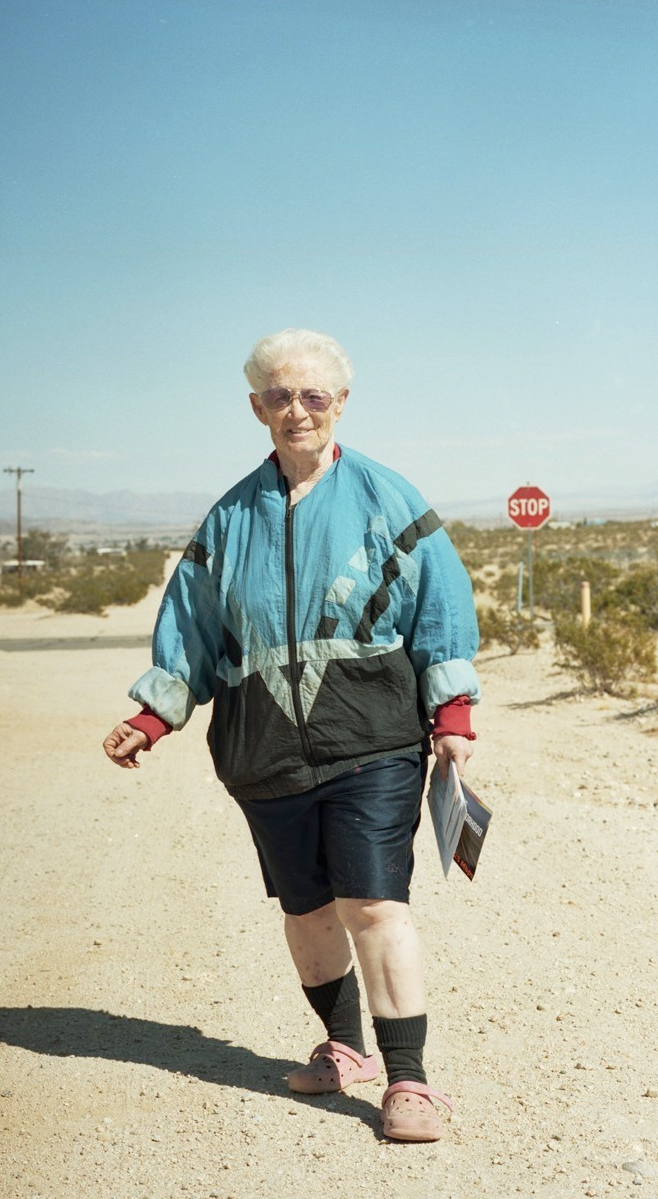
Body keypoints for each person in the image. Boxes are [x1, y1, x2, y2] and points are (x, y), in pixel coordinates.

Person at [103, 328, 480, 1142]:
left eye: (312, 395)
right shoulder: (229, 518)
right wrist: (151, 714)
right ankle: (345, 1049)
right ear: (255, 408)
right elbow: (190, 631)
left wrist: (451, 715)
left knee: (374, 903)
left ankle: (408, 1084)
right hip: (261, 745)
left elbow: (442, 608)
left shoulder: (389, 498)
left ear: (339, 402)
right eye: (278, 396)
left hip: (372, 734)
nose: (295, 410)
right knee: (307, 908)